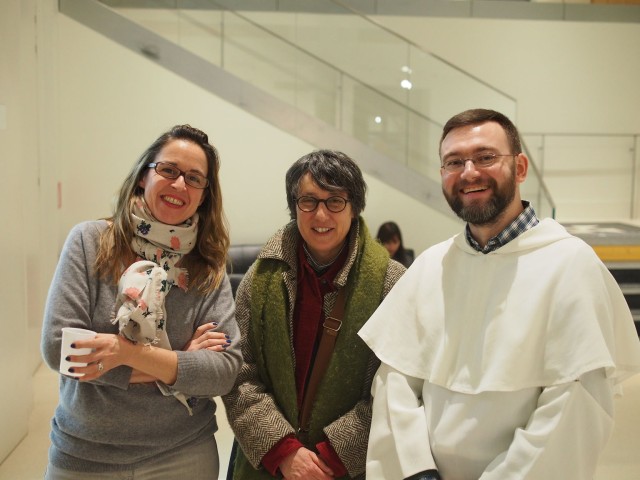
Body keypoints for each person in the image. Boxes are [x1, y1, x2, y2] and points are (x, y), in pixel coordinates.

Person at [359, 109, 640, 480]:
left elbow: (574, 408)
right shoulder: (430, 266)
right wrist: (416, 468)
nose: (469, 172)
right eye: (454, 162)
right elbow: (395, 381)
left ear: (520, 168)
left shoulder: (571, 266)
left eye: (485, 157)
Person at [41, 124, 243, 479]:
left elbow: (223, 371)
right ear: (142, 177)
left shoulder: (207, 266)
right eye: (168, 170)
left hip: (183, 453)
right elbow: (61, 349)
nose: (179, 185)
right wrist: (180, 363)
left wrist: (123, 352)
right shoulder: (89, 242)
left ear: (204, 195)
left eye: (194, 178)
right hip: (86, 452)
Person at [222, 150, 406, 479]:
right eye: (308, 201)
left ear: (354, 207)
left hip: (348, 470)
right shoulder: (261, 278)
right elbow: (238, 370)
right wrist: (283, 451)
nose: (321, 215)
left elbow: (398, 388)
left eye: (335, 201)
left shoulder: (391, 283)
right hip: (270, 465)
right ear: (294, 207)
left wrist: (331, 458)